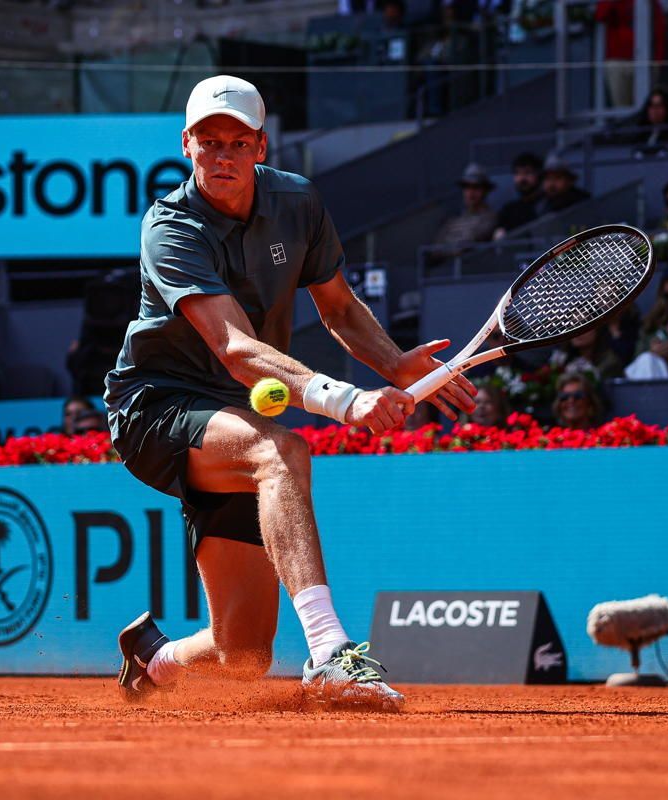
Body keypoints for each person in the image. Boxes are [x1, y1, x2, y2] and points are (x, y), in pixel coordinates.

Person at [104, 76, 477, 711]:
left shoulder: (298, 203)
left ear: (260, 146)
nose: (222, 156)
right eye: (209, 142)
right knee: (280, 451)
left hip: (237, 412)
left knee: (243, 656)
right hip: (157, 406)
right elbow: (236, 348)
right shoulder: (169, 228)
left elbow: (340, 308)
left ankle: (154, 659)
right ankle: (333, 655)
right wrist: (344, 400)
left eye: (238, 142)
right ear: (186, 144)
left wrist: (393, 363)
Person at [594, 0, 667, 108]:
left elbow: (659, 30)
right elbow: (600, 15)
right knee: (621, 109)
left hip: (645, 61)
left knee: (645, 108)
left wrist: (657, 61)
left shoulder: (651, 3)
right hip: (617, 61)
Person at [431, 163, 498, 258]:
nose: (471, 192)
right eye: (467, 187)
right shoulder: (452, 221)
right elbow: (434, 250)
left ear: (485, 190)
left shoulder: (490, 219)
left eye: (476, 187)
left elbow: (466, 246)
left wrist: (448, 249)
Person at [493, 152, 543, 239]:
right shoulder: (508, 210)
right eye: (518, 173)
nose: (522, 178)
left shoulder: (548, 205)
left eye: (527, 172)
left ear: (538, 175)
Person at [550, 327, 624, 381]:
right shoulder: (560, 360)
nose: (577, 330)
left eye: (584, 325)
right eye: (573, 325)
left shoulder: (610, 363)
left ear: (598, 329)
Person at [628, 87, 668, 153]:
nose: (655, 110)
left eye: (659, 106)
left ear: (667, 109)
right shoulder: (641, 134)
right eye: (652, 106)